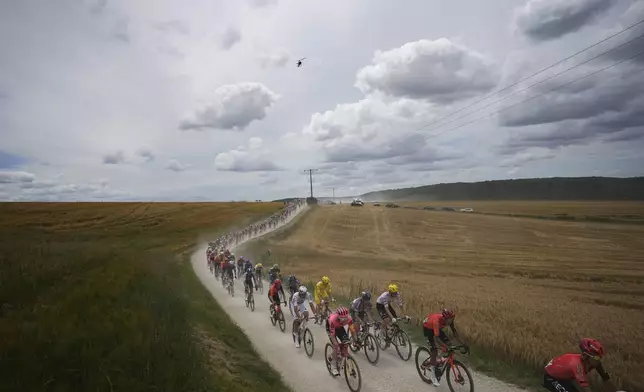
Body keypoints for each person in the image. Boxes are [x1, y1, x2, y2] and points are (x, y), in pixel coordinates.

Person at [543, 338, 615, 392]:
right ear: (585, 356)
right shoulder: (577, 366)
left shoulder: (593, 361)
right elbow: (586, 389)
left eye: (600, 357)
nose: (599, 360)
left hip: (563, 378)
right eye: (596, 357)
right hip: (550, 378)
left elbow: (604, 375)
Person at [422, 308, 462, 387]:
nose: (451, 321)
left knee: (449, 344)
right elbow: (436, 339)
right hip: (428, 328)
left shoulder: (449, 320)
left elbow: (454, 332)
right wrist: (444, 346)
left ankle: (439, 359)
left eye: (452, 319)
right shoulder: (437, 321)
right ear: (444, 318)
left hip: (437, 328)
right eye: (449, 319)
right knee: (434, 350)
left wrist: (462, 343)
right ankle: (433, 374)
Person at [325, 306, 357, 377]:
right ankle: (333, 366)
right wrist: (336, 344)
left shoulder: (349, 319)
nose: (345, 319)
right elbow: (332, 335)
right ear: (338, 316)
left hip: (339, 327)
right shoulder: (333, 320)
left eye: (346, 317)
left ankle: (341, 358)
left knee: (346, 343)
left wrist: (355, 341)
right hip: (331, 327)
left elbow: (352, 331)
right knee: (336, 347)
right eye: (343, 318)